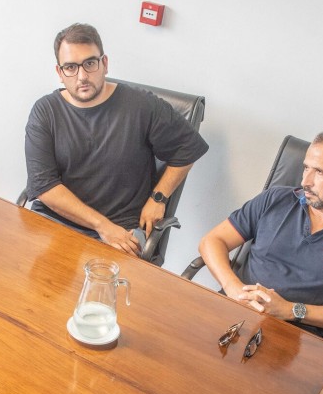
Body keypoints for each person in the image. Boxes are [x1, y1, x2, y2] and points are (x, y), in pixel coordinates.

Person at [24, 23, 209, 256]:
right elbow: (44, 186)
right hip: (55, 222)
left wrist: (159, 197)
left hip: (120, 233)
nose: (82, 76)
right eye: (71, 67)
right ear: (60, 73)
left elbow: (187, 147)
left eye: (90, 63)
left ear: (105, 64)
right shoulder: (45, 111)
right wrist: (101, 226)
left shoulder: (141, 105)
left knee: (98, 291)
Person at [197, 130, 323, 342]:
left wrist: (291, 310)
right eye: (306, 167)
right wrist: (233, 287)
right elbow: (212, 241)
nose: (306, 181)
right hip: (236, 308)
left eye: (320, 172)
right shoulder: (275, 199)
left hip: (295, 337)